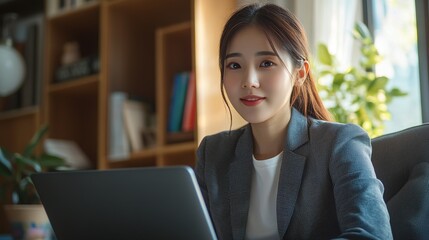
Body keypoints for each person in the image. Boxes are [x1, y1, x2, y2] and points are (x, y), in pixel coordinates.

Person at [195, 3, 393, 240]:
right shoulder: (213, 153)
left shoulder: (340, 144)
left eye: (266, 63)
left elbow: (372, 235)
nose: (249, 81)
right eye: (234, 65)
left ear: (300, 73)